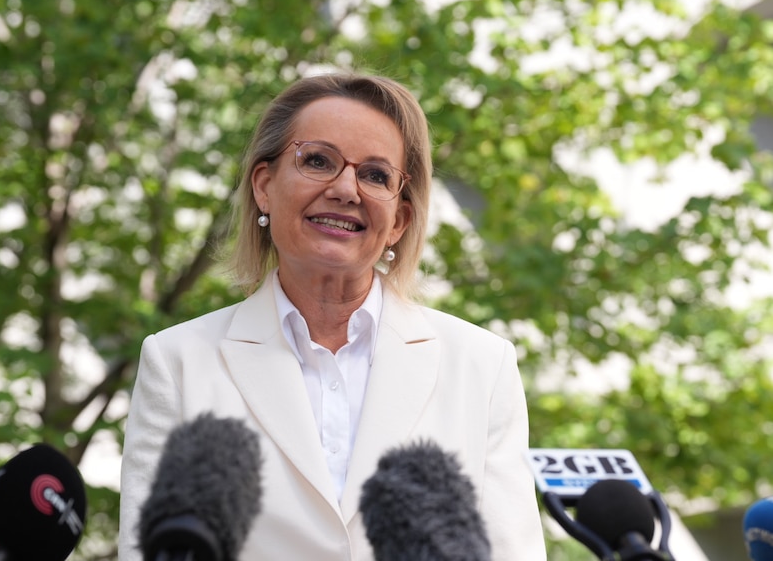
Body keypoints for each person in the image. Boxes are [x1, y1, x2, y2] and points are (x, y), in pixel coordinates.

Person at [118, 72, 547, 560]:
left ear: (399, 222)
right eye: (318, 161)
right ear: (264, 187)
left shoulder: (481, 366)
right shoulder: (177, 361)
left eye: (376, 175)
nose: (347, 189)